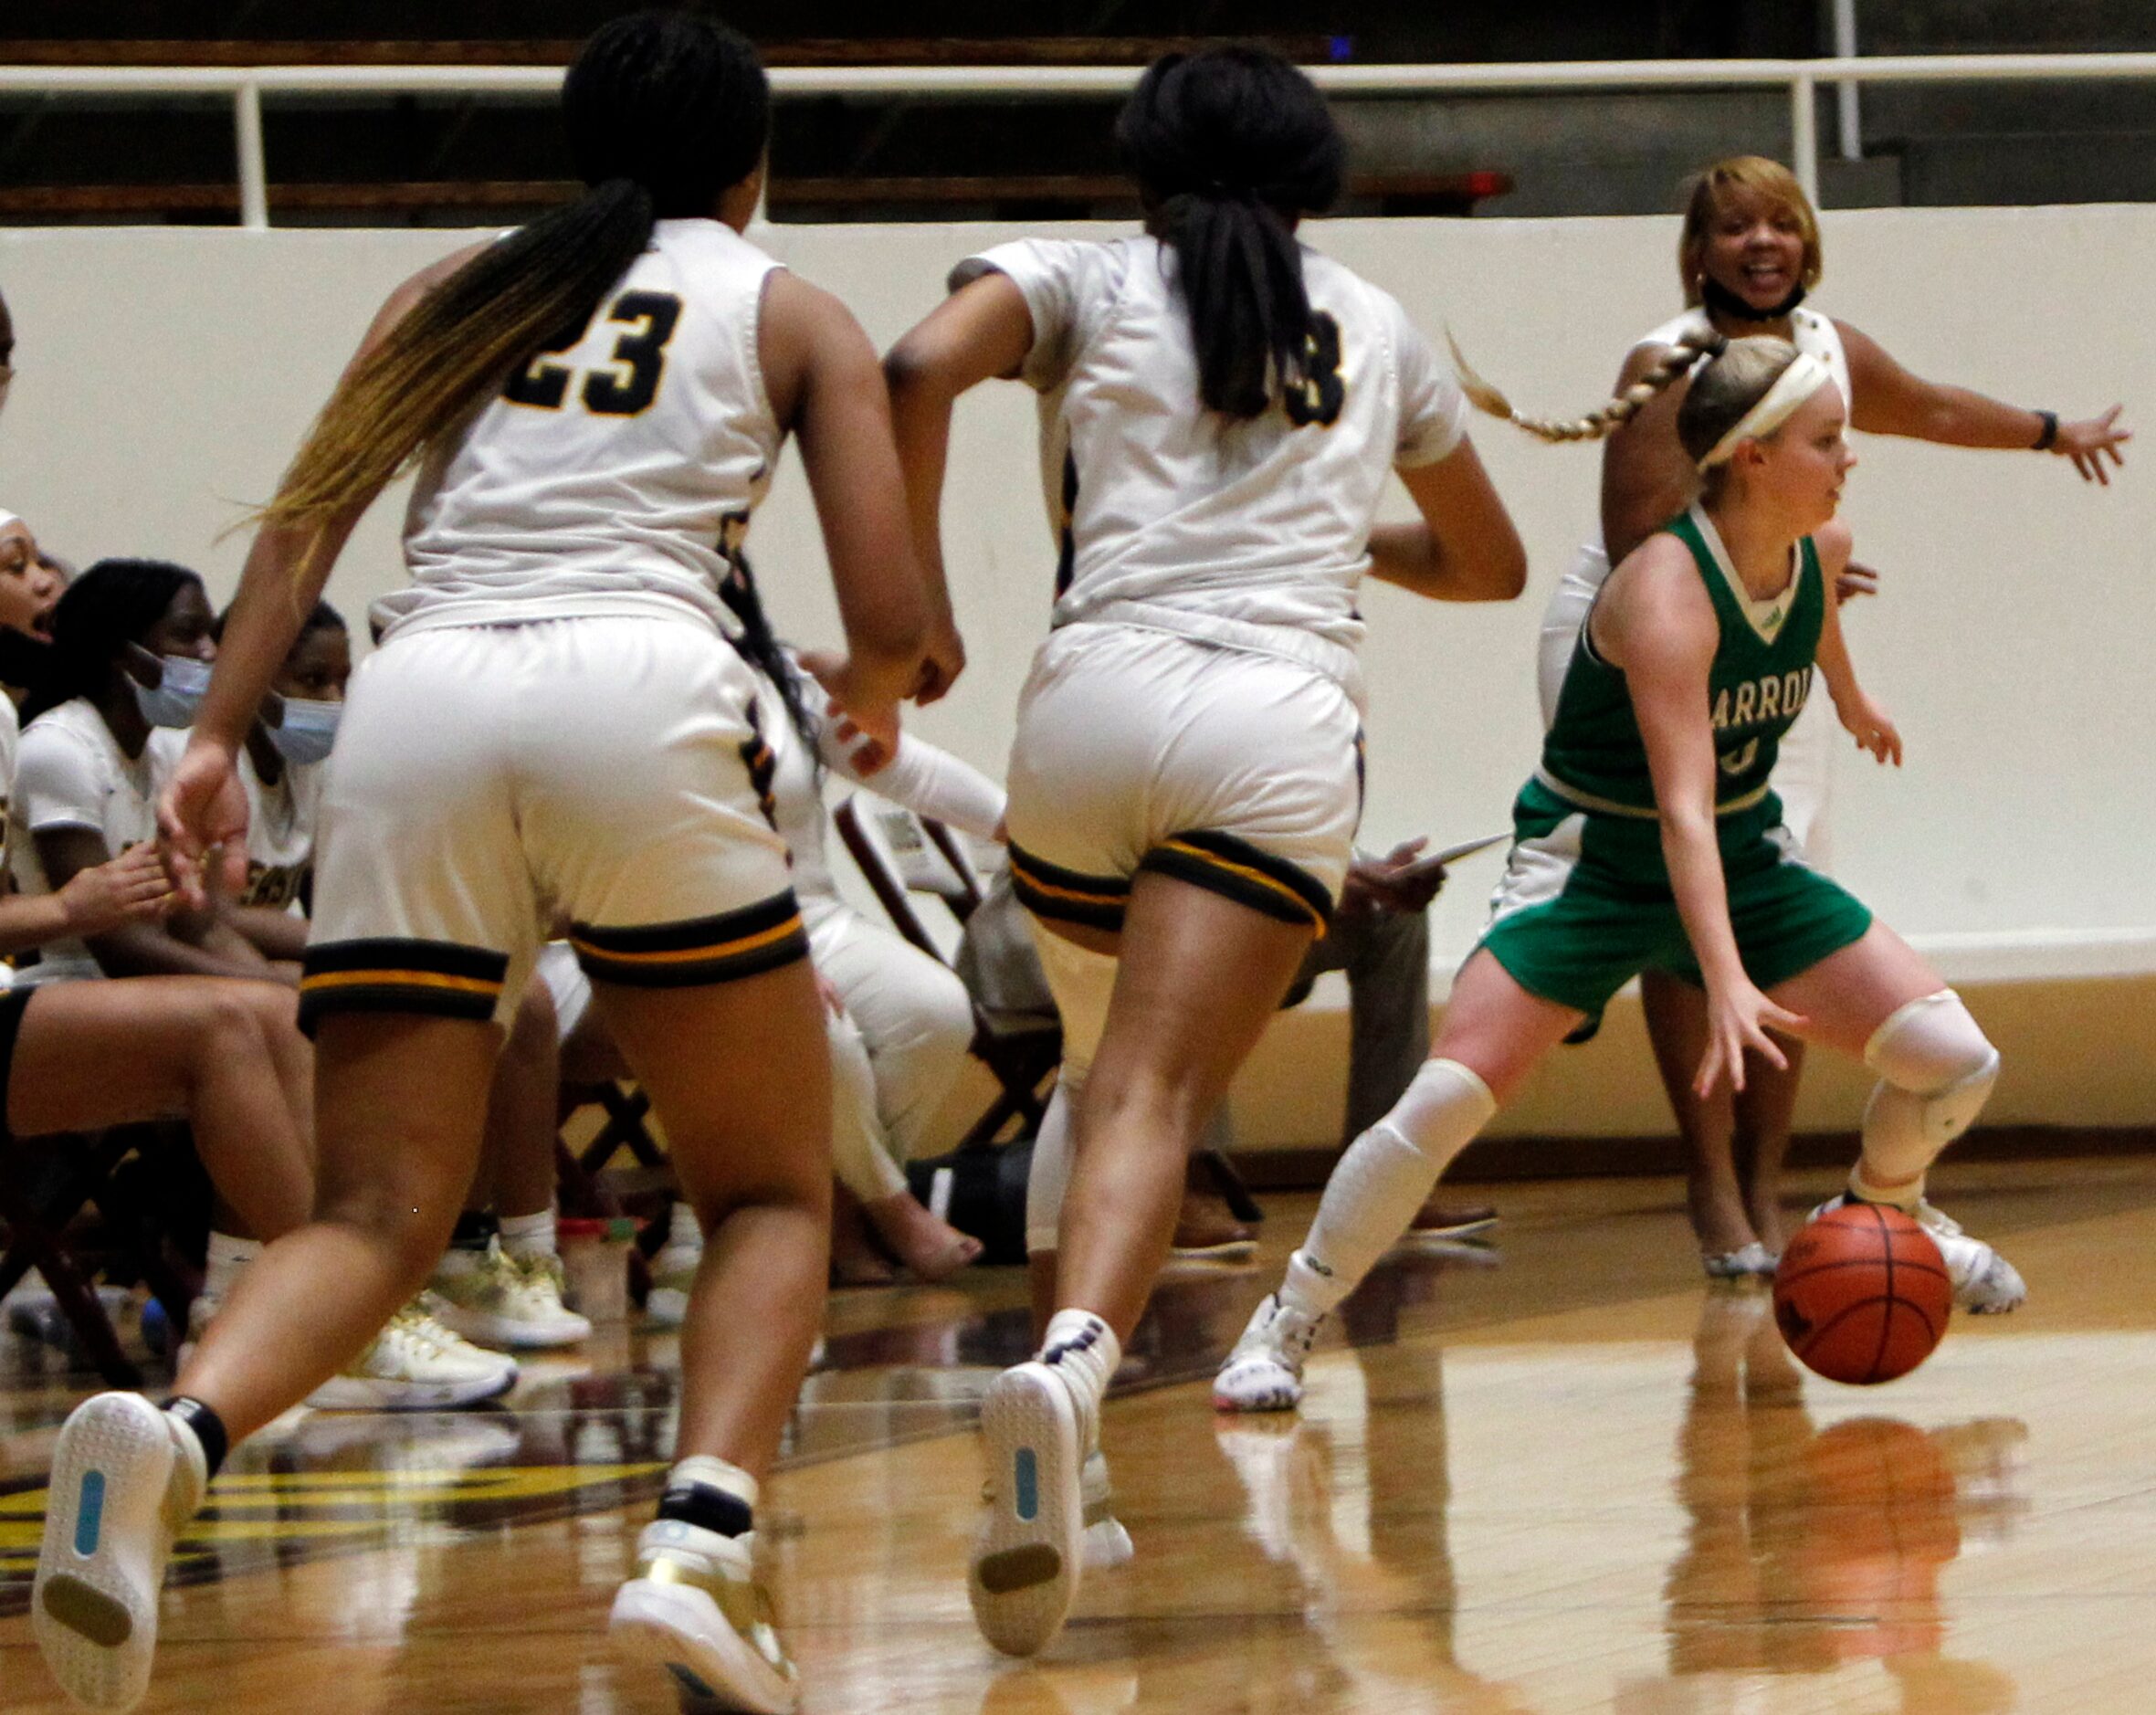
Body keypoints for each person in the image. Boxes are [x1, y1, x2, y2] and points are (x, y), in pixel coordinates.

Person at [33, 16, 931, 1715]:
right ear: (752, 164)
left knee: (377, 1207)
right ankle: (696, 1548)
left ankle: (171, 1431)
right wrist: (879, 701)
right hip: (639, 687)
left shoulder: (453, 285)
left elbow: (304, 525)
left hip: (422, 697)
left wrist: (216, 736)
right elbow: (883, 622)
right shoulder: (789, 303)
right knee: (761, 1188)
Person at [884, 45, 1525, 1657]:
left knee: (1107, 1084)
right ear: (1316, 164)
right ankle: (1077, 1366)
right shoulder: (1372, 318)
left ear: (1143, 157)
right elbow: (1487, 559)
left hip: (1084, 714)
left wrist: (910, 620)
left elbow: (911, 365)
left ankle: (1062, 1455)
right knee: (1155, 1098)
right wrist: (1320, 533)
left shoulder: (1076, 273)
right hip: (1274, 723)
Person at [1216, 335, 2027, 1422]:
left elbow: (1811, 617)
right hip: (1594, 866)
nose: (1851, 458)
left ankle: (1892, 1208)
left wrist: (1851, 697)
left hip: (1745, 855)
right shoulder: (1664, 592)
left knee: (1956, 1060)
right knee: (1447, 1099)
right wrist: (1725, 979)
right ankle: (1286, 1320)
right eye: (1828, 440)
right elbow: (1677, 810)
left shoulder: (1820, 546)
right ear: (1750, 457)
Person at [1523, 156, 2129, 1277]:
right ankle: (1709, 1184)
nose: (1763, 242)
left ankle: (1768, 1179)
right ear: (1698, 252)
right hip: (1649, 625)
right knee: (1675, 899)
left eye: (1782, 224)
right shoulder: (1666, 359)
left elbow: (1934, 405)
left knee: (1775, 887)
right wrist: (1760, 570)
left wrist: (2056, 431)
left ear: (1807, 242)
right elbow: (1635, 539)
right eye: (1736, 226)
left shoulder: (1829, 347)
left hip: (1765, 614)